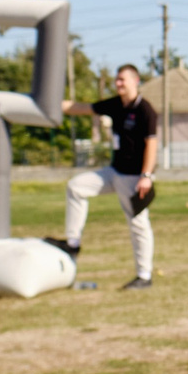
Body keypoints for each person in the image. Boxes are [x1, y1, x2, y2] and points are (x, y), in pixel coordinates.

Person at [54, 64, 157, 291]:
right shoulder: (115, 105)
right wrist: (49, 103)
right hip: (114, 172)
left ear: (135, 80)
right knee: (76, 186)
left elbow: (152, 144)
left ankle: (144, 275)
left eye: (122, 80)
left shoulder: (145, 110)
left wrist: (146, 175)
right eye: (117, 80)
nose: (118, 83)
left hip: (134, 178)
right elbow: (81, 108)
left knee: (138, 224)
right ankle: (73, 242)